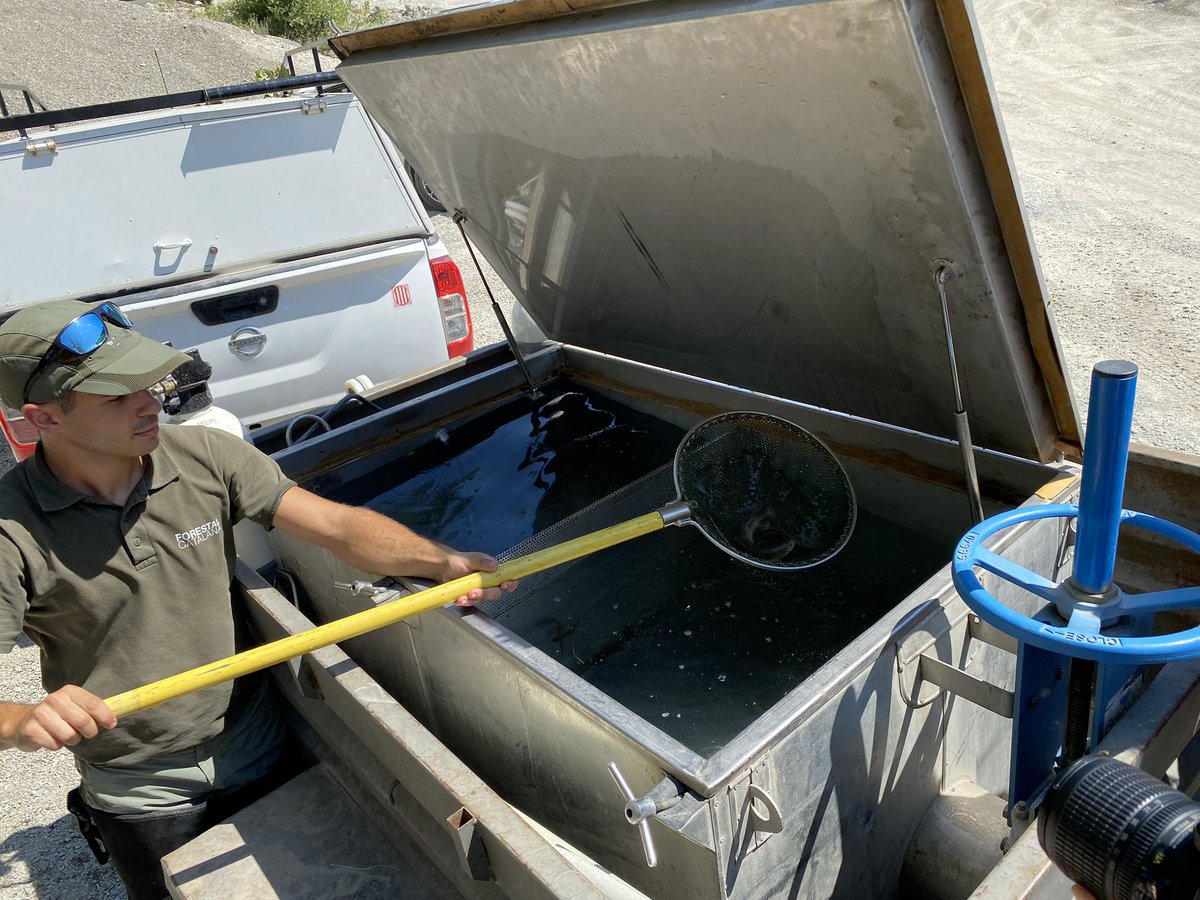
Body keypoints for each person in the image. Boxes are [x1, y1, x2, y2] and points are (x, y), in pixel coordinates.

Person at [0, 299, 517, 899]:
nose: (150, 403)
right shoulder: (10, 528)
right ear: (42, 419)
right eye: (116, 397)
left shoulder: (205, 457)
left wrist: (439, 560)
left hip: (260, 737)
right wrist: (21, 719)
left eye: (146, 382)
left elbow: (340, 528)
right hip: (141, 787)